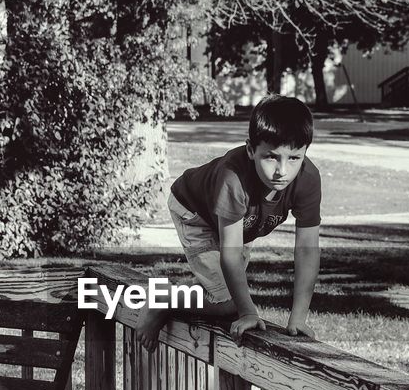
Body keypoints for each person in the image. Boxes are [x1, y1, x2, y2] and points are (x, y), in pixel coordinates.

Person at [136, 93, 321, 349]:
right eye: (271, 157)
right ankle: (164, 298)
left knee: (225, 295)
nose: (282, 171)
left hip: (241, 226)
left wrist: (298, 318)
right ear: (250, 150)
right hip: (195, 212)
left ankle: (192, 293)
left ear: (305, 153)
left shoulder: (308, 179)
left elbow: (307, 250)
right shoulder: (233, 179)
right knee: (229, 304)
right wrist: (247, 313)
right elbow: (230, 255)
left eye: (294, 158)